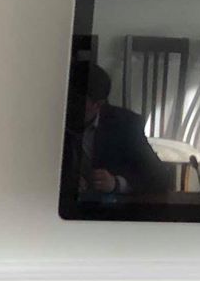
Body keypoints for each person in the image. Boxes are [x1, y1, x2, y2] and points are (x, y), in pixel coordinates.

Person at [74, 64, 173, 200]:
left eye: (77, 101)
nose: (68, 106)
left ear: (98, 105)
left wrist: (116, 184)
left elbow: (160, 177)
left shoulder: (125, 125)